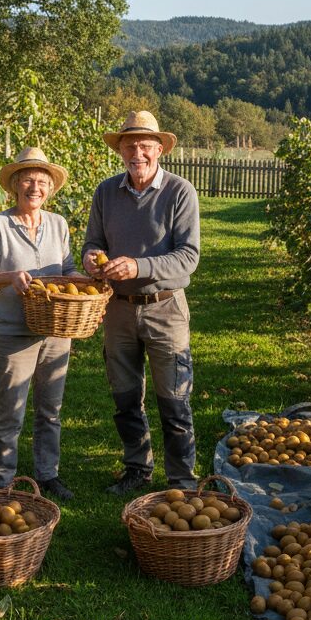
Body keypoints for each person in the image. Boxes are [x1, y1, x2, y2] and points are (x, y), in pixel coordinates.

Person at [82, 111, 200, 495]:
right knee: (126, 396)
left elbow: (188, 257)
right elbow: (93, 243)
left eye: (145, 145)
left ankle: (181, 478)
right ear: (120, 150)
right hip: (117, 308)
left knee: (175, 398)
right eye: (129, 145)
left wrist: (138, 265)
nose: (137, 153)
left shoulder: (179, 192)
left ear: (160, 149)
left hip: (165, 306)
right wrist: (91, 257)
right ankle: (138, 469)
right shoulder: (106, 192)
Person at [0, 147, 79, 502]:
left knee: (51, 410)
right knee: (10, 411)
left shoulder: (59, 224)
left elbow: (66, 272)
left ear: (50, 189)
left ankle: (48, 474)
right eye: (28, 180)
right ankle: (1, 482)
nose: (35, 187)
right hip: (15, 333)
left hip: (56, 330)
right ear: (15, 185)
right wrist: (9, 277)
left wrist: (91, 280)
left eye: (42, 182)